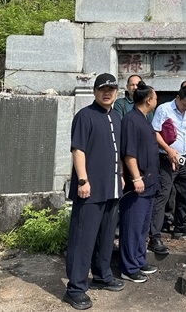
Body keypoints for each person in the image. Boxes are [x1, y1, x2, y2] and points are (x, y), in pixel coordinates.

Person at [64, 73, 125, 310]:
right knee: (83, 238)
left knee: (106, 236)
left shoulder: (117, 117)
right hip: (89, 188)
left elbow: (116, 151)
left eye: (111, 88)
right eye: (103, 89)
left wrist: (120, 176)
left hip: (111, 189)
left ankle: (102, 275)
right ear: (95, 91)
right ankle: (76, 288)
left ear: (116, 92)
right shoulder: (85, 116)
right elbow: (78, 150)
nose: (107, 92)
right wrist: (82, 180)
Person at [148, 85, 186, 255]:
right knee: (163, 195)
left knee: (185, 191)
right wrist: (169, 151)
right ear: (177, 97)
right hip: (166, 159)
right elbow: (155, 133)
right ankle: (154, 235)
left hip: (182, 160)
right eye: (184, 104)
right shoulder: (164, 109)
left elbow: (184, 134)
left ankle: (181, 224)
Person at [119, 81, 160, 284]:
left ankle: (138, 259)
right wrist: (135, 177)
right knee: (132, 226)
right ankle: (128, 267)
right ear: (148, 99)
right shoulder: (131, 120)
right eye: (155, 97)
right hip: (138, 182)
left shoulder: (144, 119)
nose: (156, 101)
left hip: (150, 182)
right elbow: (129, 152)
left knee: (143, 226)